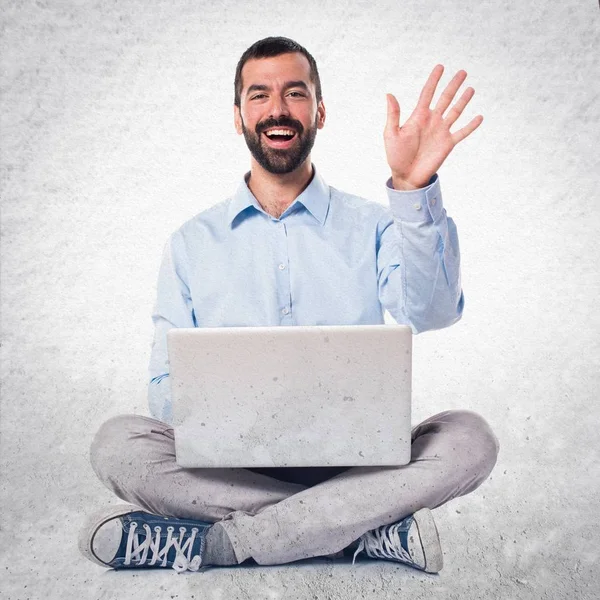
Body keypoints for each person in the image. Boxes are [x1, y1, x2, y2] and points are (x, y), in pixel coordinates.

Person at [79, 36, 499, 574]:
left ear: (319, 111)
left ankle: (219, 545)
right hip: (235, 470)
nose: (277, 108)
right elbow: (165, 389)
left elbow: (433, 311)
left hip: (359, 468)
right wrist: (231, 412)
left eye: (295, 93)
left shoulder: (376, 224)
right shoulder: (190, 243)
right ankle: (360, 534)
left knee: (469, 439)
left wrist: (410, 189)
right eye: (259, 95)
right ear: (238, 116)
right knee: (117, 444)